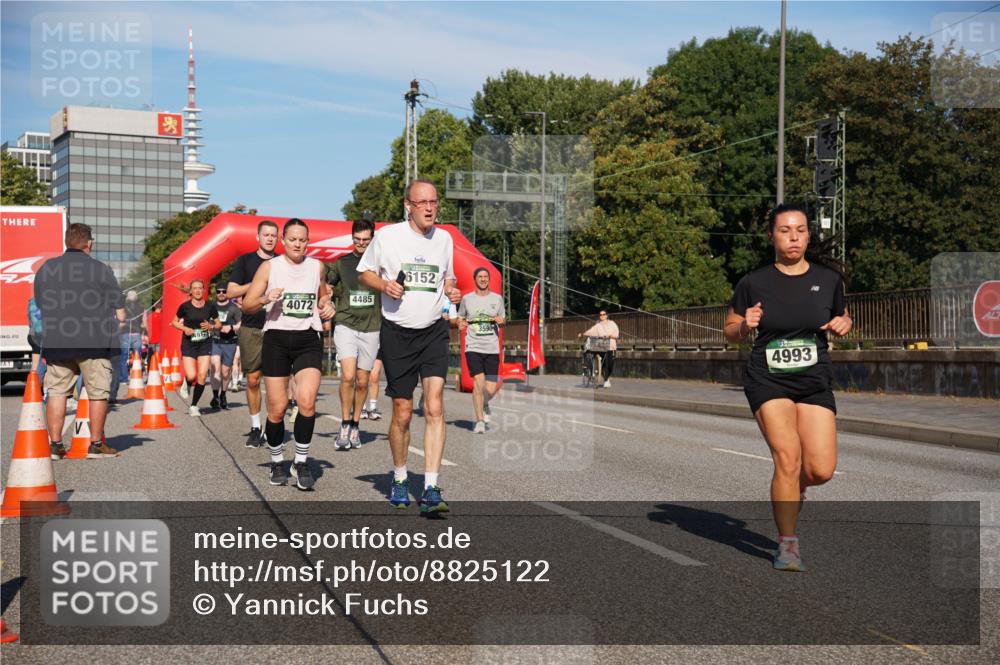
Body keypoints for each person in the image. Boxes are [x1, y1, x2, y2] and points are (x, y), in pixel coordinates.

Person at [724, 203, 852, 573]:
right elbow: (730, 332)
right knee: (787, 457)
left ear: (808, 234)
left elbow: (839, 316)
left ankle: (796, 487)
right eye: (785, 230)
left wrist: (845, 322)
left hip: (813, 380)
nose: (793, 237)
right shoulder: (753, 282)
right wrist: (745, 325)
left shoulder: (829, 280)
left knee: (821, 469)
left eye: (800, 230)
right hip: (767, 377)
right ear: (772, 237)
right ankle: (788, 544)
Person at [358, 179, 462, 513]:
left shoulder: (445, 238)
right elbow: (364, 273)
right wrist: (385, 285)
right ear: (408, 205)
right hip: (397, 333)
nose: (430, 208)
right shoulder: (387, 236)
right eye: (423, 202)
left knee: (434, 406)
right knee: (402, 412)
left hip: (432, 331)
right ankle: (401, 477)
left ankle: (431, 486)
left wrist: (452, 290)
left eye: (434, 201)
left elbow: (447, 278)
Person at [243, 218, 334, 490]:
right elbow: (247, 305)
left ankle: (301, 462)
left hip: (308, 337)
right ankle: (276, 461)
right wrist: (265, 298)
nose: (297, 244)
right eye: (292, 239)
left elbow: (322, 297)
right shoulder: (269, 267)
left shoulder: (317, 267)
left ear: (308, 241)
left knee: (307, 402)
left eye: (302, 240)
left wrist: (327, 306)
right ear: (284, 240)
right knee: (277, 409)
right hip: (276, 339)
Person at [34, 223, 123, 459]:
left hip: (57, 341)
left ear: (66, 241)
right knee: (97, 393)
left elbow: (41, 304)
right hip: (94, 342)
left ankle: (55, 445)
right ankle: (95, 444)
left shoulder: (47, 269)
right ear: (89, 243)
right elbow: (118, 305)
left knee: (57, 392)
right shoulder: (101, 269)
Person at [329, 216, 381, 450]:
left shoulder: (381, 263)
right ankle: (344, 423)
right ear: (352, 239)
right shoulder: (342, 263)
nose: (361, 244)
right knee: (348, 376)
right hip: (346, 323)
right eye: (357, 239)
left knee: (363, 381)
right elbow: (327, 284)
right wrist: (324, 297)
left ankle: (356, 424)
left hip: (372, 327)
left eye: (365, 240)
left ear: (372, 239)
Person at [227, 220, 279, 446]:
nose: (270, 238)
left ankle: (273, 426)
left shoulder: (282, 262)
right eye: (266, 234)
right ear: (257, 237)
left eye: (273, 235)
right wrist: (257, 284)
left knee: (276, 381)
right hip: (251, 326)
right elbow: (231, 290)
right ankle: (255, 427)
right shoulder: (245, 261)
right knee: (253, 380)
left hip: (276, 325)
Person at [458, 267, 505, 434]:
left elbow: (503, 319)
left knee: (491, 388)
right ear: (475, 279)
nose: (483, 279)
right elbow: (460, 317)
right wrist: (460, 323)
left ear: (489, 279)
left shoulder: (497, 299)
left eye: (486, 277)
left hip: (492, 347)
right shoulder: (467, 299)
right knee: (478, 383)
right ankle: (479, 420)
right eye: (480, 277)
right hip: (473, 346)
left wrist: (501, 321)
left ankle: (485, 403)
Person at [171, 279, 219, 416]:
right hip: (189, 343)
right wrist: (185, 328)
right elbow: (174, 322)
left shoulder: (210, 306)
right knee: (191, 375)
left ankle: (194, 405)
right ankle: (187, 382)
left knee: (202, 375)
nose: (198, 291)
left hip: (205, 343)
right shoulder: (184, 306)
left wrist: (212, 326)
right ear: (191, 291)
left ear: (203, 291)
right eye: (195, 288)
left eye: (200, 288)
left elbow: (218, 324)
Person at [210, 285, 241, 410]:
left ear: (227, 293)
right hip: (215, 341)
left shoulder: (233, 308)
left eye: (224, 291)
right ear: (216, 293)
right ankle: (215, 396)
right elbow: (206, 321)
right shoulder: (211, 306)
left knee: (225, 372)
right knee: (215, 368)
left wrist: (231, 328)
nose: (221, 293)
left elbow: (240, 323)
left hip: (230, 343)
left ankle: (223, 395)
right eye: (219, 291)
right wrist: (214, 327)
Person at [110, 290, 145, 403]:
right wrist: (144, 332)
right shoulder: (141, 308)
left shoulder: (122, 307)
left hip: (124, 334)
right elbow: (144, 323)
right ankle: (137, 375)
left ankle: (124, 378)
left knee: (123, 358)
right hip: (136, 334)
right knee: (137, 357)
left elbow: (120, 320)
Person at [578, 310, 619, 388]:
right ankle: (606, 380)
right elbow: (591, 331)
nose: (602, 316)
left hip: (611, 346)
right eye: (600, 315)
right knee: (604, 363)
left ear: (607, 315)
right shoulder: (598, 325)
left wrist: (610, 336)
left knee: (610, 364)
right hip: (601, 346)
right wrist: (582, 334)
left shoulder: (612, 323)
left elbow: (616, 335)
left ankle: (606, 377)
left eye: (604, 314)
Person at [27, 296, 47, 393]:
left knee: (34, 366)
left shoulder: (32, 300)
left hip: (33, 335)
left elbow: (30, 320)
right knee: (47, 366)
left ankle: (32, 391)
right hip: (45, 336)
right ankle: (45, 393)